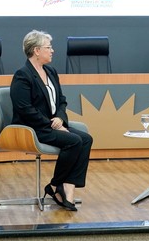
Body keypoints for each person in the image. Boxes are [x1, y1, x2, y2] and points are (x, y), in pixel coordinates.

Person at [10, 30, 93, 211]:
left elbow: (61, 101)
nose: (52, 50)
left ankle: (66, 186)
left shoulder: (51, 71)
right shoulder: (22, 75)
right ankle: (57, 186)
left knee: (86, 139)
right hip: (33, 127)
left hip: (52, 124)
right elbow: (24, 109)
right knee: (74, 141)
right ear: (37, 50)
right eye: (49, 47)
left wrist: (60, 119)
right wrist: (51, 124)